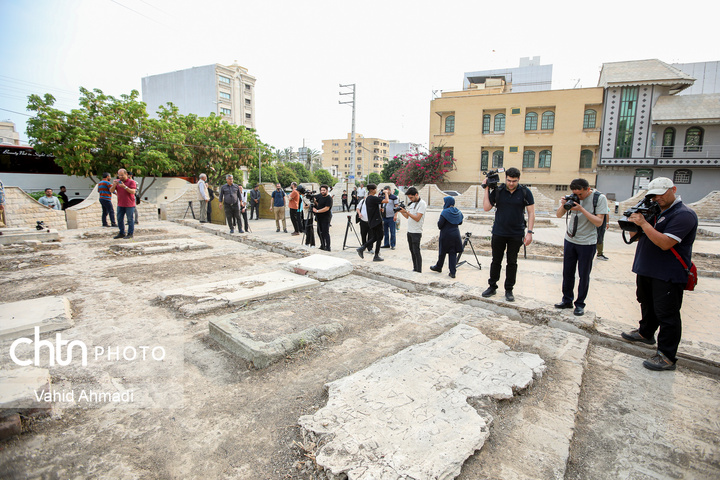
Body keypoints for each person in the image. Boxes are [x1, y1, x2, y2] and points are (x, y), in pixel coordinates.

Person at [621, 177, 698, 371]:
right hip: (646, 268)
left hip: (668, 273)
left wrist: (645, 224)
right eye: (654, 195)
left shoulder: (684, 214)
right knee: (646, 302)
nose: (657, 198)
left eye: (662, 193)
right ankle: (645, 333)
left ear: (673, 189)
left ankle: (667, 356)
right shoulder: (654, 211)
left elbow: (665, 243)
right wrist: (634, 223)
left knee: (667, 314)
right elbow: (636, 237)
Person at [554, 178, 607, 316]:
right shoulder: (573, 198)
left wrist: (582, 209)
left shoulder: (599, 198)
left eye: (581, 194)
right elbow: (558, 215)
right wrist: (564, 205)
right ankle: (567, 300)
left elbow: (599, 222)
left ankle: (580, 304)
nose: (578, 196)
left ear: (588, 189)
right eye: (575, 193)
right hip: (570, 239)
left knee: (584, 275)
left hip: (587, 243)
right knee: (567, 272)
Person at [481, 167, 535, 302]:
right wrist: (487, 188)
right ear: (505, 178)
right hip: (499, 232)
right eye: (509, 180)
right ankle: (492, 286)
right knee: (496, 261)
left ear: (519, 180)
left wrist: (529, 232)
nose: (511, 183)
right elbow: (487, 208)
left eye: (514, 181)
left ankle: (509, 289)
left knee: (512, 262)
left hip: (516, 234)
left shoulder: (524, 192)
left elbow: (531, 213)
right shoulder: (498, 191)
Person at [430, 196, 464, 278]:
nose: (444, 204)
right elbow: (460, 222)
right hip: (455, 234)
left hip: (446, 234)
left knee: (442, 252)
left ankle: (439, 267)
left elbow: (440, 225)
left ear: (447, 202)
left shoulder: (445, 212)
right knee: (453, 253)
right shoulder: (458, 211)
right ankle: (453, 272)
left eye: (444, 202)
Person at [356, 184, 388, 262]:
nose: (376, 190)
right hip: (376, 221)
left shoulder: (368, 199)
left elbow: (374, 207)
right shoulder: (373, 198)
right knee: (379, 237)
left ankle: (363, 248)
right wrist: (386, 193)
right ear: (373, 190)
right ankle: (375, 255)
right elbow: (386, 201)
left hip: (372, 221)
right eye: (376, 189)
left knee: (375, 237)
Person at [398, 186, 426, 273]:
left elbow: (417, 218)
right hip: (409, 231)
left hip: (416, 232)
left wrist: (407, 212)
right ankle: (415, 268)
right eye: (409, 198)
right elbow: (408, 217)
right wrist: (402, 212)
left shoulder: (422, 204)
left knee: (416, 251)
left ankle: (419, 270)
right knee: (412, 251)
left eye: (411, 197)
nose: (410, 199)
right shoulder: (412, 203)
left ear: (416, 194)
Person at [109, 169, 137, 239]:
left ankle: (130, 233)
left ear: (126, 174)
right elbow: (111, 191)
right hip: (120, 204)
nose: (120, 177)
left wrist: (124, 187)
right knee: (119, 219)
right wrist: (114, 185)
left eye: (122, 175)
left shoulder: (131, 182)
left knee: (130, 219)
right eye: (119, 175)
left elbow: (133, 191)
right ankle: (122, 232)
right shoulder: (118, 182)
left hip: (129, 204)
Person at [313, 185, 333, 251]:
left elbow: (327, 208)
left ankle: (328, 247)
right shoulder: (319, 196)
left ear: (327, 190)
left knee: (325, 232)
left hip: (326, 217)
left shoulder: (329, 198)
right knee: (319, 232)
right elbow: (316, 202)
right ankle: (322, 245)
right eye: (321, 190)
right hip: (319, 217)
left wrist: (317, 211)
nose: (322, 191)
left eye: (324, 190)